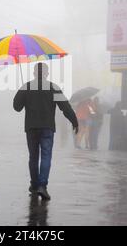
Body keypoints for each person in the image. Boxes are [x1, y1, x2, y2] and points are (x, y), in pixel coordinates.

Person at [13, 63, 78, 200]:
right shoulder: (53, 88)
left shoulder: (27, 87)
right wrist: (74, 120)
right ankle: (42, 186)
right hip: (47, 128)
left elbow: (16, 107)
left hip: (31, 128)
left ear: (34, 73)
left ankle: (34, 185)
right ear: (47, 74)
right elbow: (65, 107)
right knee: (46, 156)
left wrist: (22, 95)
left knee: (33, 157)